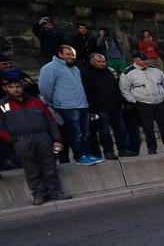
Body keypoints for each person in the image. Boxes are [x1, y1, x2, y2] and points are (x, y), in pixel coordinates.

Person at [0, 77, 72, 205]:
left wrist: (56, 139)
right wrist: (12, 141)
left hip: (43, 137)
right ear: (5, 88)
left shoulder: (36, 102)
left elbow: (51, 121)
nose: (15, 90)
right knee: (31, 168)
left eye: (18, 86)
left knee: (49, 165)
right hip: (21, 140)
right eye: (11, 87)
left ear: (22, 87)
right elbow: (1, 127)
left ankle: (54, 191)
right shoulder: (3, 106)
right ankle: (38, 194)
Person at [39, 45, 103, 165]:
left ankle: (87, 154)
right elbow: (44, 88)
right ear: (60, 54)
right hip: (66, 107)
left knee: (85, 133)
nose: (71, 57)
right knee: (75, 134)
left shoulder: (74, 69)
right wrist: (52, 103)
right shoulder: (50, 68)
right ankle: (80, 157)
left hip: (82, 105)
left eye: (73, 54)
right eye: (68, 54)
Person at [119, 52, 164, 154]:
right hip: (143, 102)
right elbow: (124, 89)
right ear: (136, 60)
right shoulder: (128, 72)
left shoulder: (156, 70)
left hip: (160, 101)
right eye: (143, 60)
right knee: (148, 127)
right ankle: (152, 148)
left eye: (146, 59)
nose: (146, 61)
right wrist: (132, 100)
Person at [82, 53, 135, 159]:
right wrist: (91, 109)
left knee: (120, 129)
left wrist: (122, 102)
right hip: (99, 108)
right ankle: (108, 151)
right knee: (104, 132)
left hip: (114, 107)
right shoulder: (86, 74)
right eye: (99, 62)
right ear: (92, 61)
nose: (102, 64)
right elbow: (87, 93)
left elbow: (116, 87)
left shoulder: (108, 71)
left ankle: (123, 149)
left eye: (103, 61)